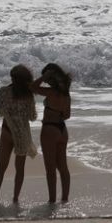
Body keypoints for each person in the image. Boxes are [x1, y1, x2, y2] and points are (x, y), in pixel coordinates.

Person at [0, 64, 37, 203]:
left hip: (7, 131)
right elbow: (32, 116)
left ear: (12, 77)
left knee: (2, 166)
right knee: (20, 169)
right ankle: (15, 198)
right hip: (22, 134)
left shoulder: (4, 91)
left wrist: (9, 111)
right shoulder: (28, 95)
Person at [30, 63, 72, 203]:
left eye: (48, 80)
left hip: (49, 129)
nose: (46, 82)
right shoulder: (66, 93)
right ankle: (65, 198)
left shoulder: (52, 92)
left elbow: (32, 87)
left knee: (50, 168)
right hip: (62, 130)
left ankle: (52, 200)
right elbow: (67, 115)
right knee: (63, 167)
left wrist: (43, 77)